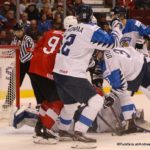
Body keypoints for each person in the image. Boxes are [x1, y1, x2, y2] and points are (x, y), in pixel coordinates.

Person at [53, 4, 122, 149]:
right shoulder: (91, 29)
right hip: (72, 73)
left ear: (77, 17)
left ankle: (63, 131)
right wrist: (116, 26)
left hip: (59, 73)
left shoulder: (70, 30)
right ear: (91, 16)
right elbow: (113, 43)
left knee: (70, 106)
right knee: (96, 101)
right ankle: (79, 132)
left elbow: (78, 50)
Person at [13, 16, 78, 145]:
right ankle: (46, 131)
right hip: (46, 71)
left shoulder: (50, 32)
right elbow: (66, 58)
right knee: (58, 101)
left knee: (45, 102)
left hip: (33, 68)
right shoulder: (71, 38)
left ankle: (38, 129)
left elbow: (37, 49)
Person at [95, 46, 150, 134]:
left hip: (137, 69)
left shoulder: (110, 63)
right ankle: (130, 121)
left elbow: (120, 86)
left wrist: (111, 97)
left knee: (122, 93)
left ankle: (130, 122)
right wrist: (97, 76)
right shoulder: (108, 51)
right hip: (141, 62)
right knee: (124, 93)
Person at [2, 23, 35, 108]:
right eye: (17, 31)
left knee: (36, 83)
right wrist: (16, 48)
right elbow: (10, 52)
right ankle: (8, 101)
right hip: (20, 64)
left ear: (22, 30)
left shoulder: (28, 39)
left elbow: (31, 52)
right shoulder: (14, 40)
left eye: (20, 31)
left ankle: (40, 102)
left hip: (30, 63)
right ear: (14, 32)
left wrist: (21, 58)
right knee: (13, 82)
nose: (19, 33)